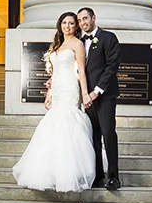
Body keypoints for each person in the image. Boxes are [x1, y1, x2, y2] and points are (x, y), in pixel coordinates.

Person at [12, 13, 97, 192]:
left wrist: (85, 94)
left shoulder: (77, 44)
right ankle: (53, 171)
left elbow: (81, 71)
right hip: (57, 89)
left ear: (76, 27)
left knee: (68, 123)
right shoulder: (58, 45)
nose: (67, 26)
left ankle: (72, 172)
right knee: (53, 124)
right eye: (64, 23)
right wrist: (48, 93)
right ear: (60, 25)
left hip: (70, 89)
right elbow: (54, 73)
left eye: (72, 23)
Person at [78, 6, 122, 191]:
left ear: (94, 18)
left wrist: (96, 91)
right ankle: (97, 176)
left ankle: (113, 177)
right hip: (87, 98)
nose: (82, 23)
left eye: (85, 18)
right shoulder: (78, 41)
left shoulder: (108, 38)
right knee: (93, 136)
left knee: (108, 133)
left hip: (104, 96)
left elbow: (112, 67)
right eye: (80, 20)